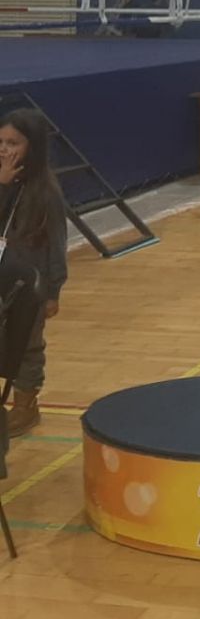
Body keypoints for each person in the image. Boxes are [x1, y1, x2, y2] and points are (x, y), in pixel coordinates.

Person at [0, 108, 68, 437]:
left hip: (29, 285)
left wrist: (53, 291)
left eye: (13, 143)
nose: (4, 149)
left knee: (26, 343)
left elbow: (56, 244)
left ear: (33, 146)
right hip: (3, 276)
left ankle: (26, 405)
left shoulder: (45, 192)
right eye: (0, 142)